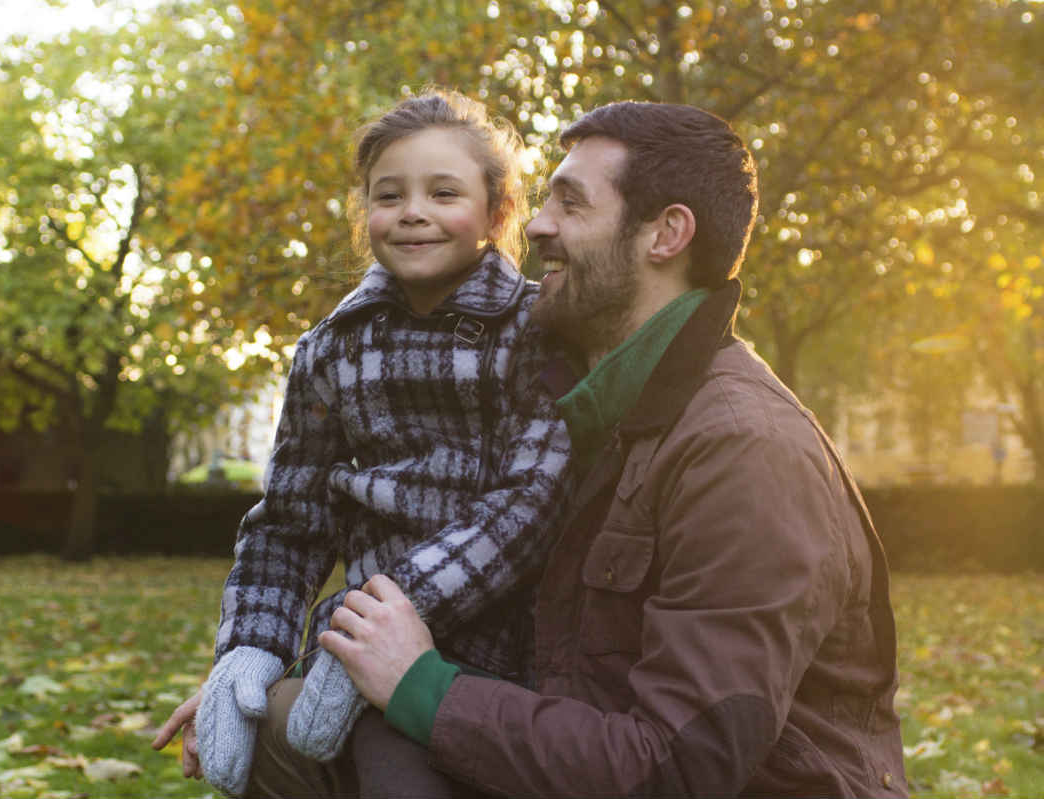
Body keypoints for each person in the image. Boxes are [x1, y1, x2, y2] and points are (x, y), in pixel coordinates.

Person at [319, 101, 909, 798]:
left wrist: (427, 689)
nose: (536, 226)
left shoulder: (745, 451)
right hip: (581, 759)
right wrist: (254, 666)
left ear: (666, 234)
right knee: (277, 724)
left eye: (570, 204)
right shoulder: (588, 401)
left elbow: (676, 766)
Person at [152, 90, 572, 797]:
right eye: (389, 194)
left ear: (499, 214)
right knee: (320, 750)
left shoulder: (539, 331)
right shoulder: (331, 349)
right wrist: (247, 652)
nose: (413, 211)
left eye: (444, 192)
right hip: (353, 660)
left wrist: (375, 621)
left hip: (499, 650)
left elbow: (528, 506)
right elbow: (291, 520)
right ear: (365, 213)